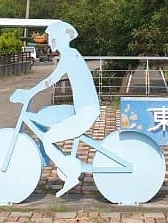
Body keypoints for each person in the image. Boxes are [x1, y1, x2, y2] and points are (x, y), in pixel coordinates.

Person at [9, 20, 100, 197]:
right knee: (43, 113)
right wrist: (31, 92)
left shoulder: (69, 55)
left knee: (49, 138)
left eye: (51, 37)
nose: (50, 40)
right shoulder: (71, 53)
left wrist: (30, 92)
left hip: (85, 112)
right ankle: (49, 156)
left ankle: (71, 174)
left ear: (58, 38)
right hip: (80, 108)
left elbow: (52, 79)